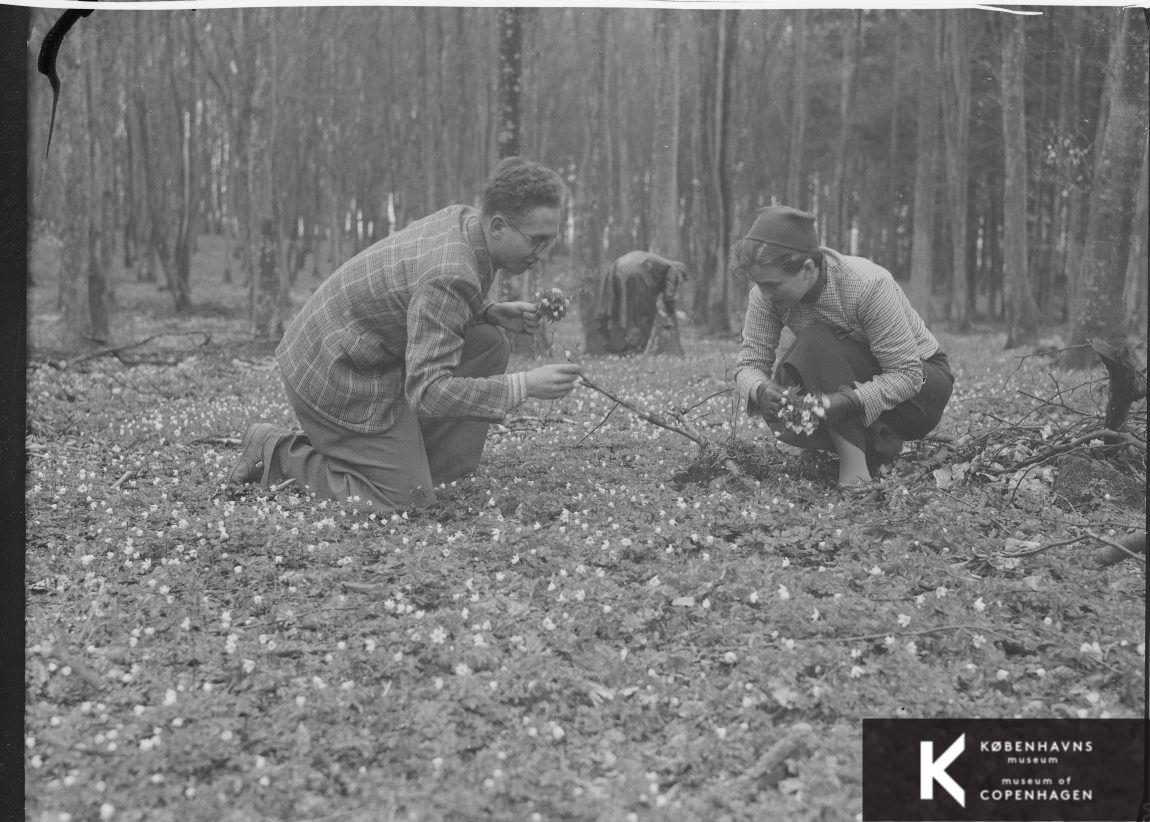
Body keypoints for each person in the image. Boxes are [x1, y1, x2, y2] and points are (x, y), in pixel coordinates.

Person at [228, 157, 583, 511]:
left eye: (549, 242)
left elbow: (417, 298)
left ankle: (423, 466)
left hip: (363, 352)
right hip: (334, 372)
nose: (543, 254)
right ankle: (277, 451)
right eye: (536, 241)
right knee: (405, 499)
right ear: (498, 226)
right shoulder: (450, 273)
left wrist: (489, 310)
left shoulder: (464, 223)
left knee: (488, 343)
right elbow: (428, 392)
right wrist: (525, 385)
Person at [731, 205, 954, 488]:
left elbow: (907, 375)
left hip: (923, 389)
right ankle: (877, 449)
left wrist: (846, 401)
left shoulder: (866, 284)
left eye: (773, 284)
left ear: (808, 268)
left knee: (817, 342)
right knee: (796, 370)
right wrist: (760, 389)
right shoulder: (766, 297)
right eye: (759, 284)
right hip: (863, 382)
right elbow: (749, 364)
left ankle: (855, 474)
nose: (764, 293)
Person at [595, 251, 687, 354]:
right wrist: (673, 313)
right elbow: (668, 297)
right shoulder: (673, 269)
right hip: (637, 272)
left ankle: (615, 345)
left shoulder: (659, 265)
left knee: (615, 308)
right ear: (680, 273)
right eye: (680, 281)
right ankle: (634, 350)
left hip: (616, 267)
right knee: (641, 315)